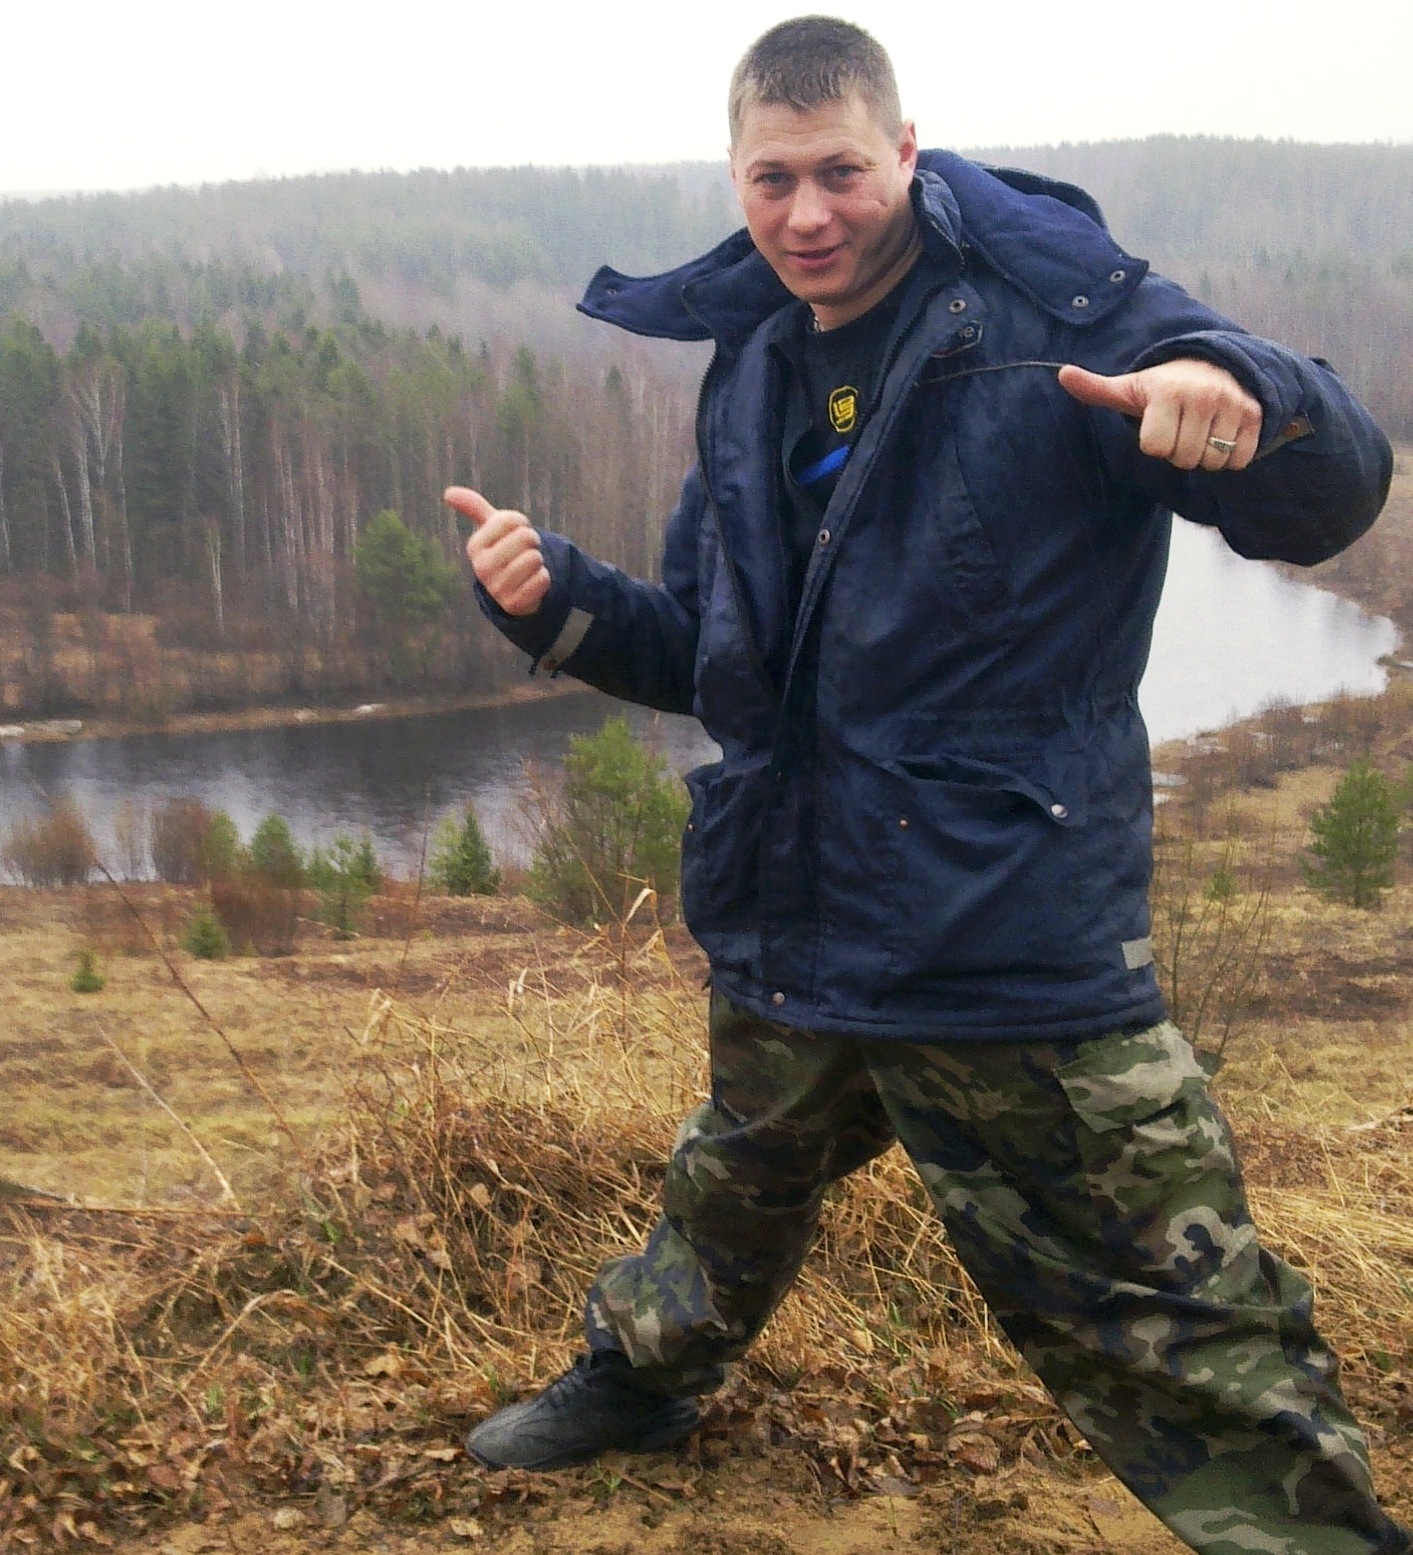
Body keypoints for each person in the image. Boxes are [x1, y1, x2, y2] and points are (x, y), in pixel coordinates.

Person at [444, 18, 1407, 1555]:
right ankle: (643, 1375)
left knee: (1169, 1309)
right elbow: (713, 656)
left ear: (904, 149)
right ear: (735, 178)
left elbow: (1333, 483)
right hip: (798, 906)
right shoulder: (756, 359)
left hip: (997, 926)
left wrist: (1241, 390)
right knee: (738, 1171)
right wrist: (553, 601)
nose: (806, 215)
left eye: (839, 172)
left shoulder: (1051, 310)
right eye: (772, 181)